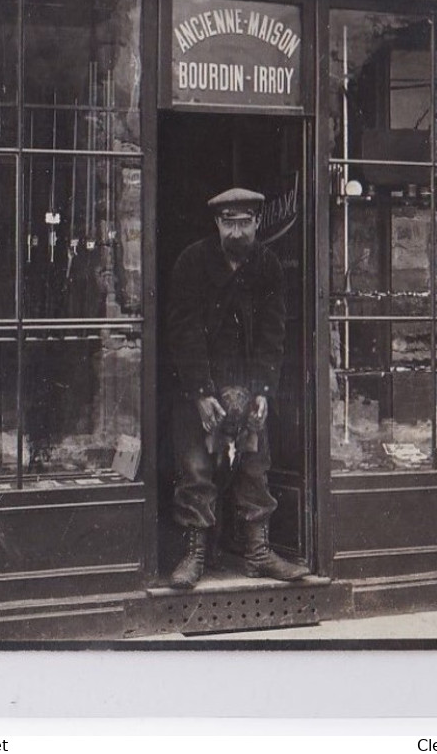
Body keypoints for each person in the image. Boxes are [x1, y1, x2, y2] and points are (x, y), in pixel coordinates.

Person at [167, 187, 310, 589]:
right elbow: (184, 329)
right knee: (196, 469)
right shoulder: (192, 262)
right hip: (198, 386)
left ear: (256, 223)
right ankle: (195, 556)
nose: (236, 231)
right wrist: (200, 392)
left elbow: (273, 332)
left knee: (254, 468)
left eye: (244, 223)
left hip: (248, 385)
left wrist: (263, 390)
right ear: (216, 224)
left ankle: (258, 554)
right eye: (228, 223)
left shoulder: (267, 266)